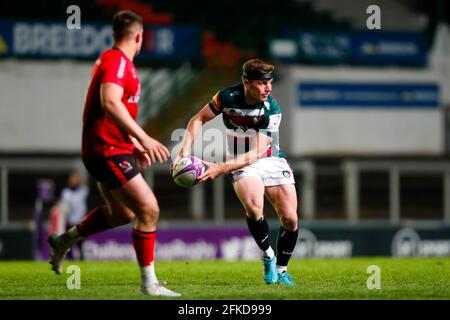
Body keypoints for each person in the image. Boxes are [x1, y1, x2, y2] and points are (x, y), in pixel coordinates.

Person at [48, 10, 180, 297]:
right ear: (139, 36)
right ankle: (149, 285)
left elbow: (110, 111)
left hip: (113, 149)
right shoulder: (117, 61)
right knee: (149, 209)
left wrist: (132, 144)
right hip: (106, 151)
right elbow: (109, 102)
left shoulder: (120, 64)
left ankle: (65, 239)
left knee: (123, 213)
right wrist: (143, 138)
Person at [172, 59, 299, 286]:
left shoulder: (271, 109)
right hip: (242, 163)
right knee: (253, 206)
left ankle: (282, 270)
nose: (268, 88)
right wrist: (183, 152)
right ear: (246, 82)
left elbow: (257, 153)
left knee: (290, 218)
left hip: (269, 158)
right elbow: (198, 119)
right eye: (261, 83)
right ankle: (268, 254)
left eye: (269, 83)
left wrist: (219, 168)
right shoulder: (226, 97)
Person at [59, 171, 89, 260]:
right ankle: (69, 259)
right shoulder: (66, 192)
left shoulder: (84, 191)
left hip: (80, 221)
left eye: (76, 179)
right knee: (69, 243)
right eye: (72, 179)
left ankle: (82, 259)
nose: (74, 181)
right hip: (69, 221)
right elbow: (63, 205)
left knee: (80, 243)